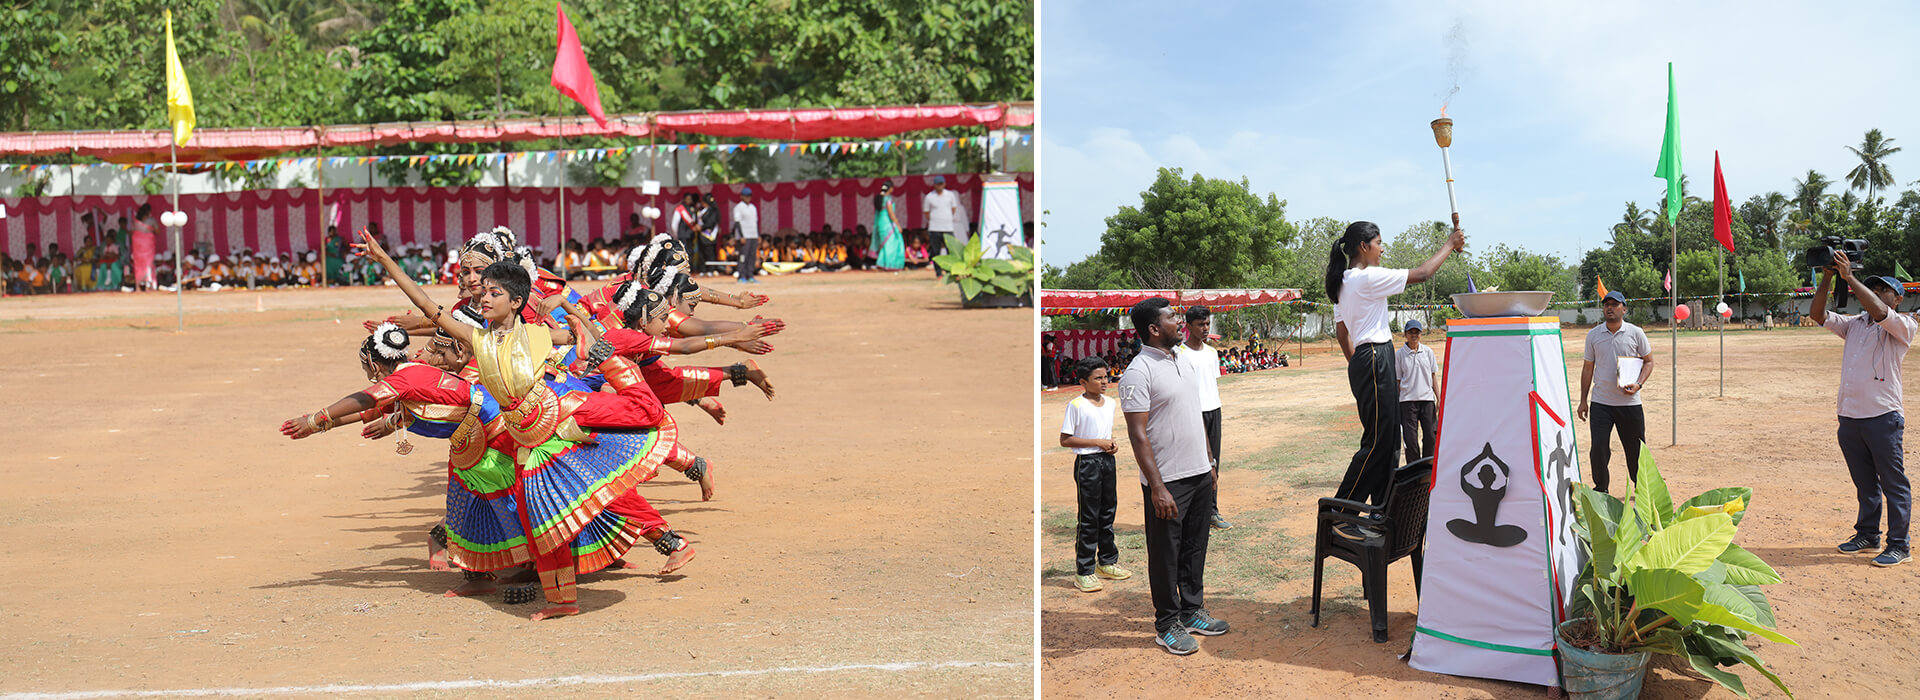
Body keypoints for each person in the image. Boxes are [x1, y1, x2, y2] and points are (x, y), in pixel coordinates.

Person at [1325, 221, 1465, 538]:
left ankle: (1384, 510)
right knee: (1378, 441)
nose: (1382, 248)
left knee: (1390, 442)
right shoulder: (1366, 278)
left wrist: (1358, 364)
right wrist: (1449, 243)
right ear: (1364, 246)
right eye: (1378, 242)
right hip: (1375, 357)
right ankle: (1343, 511)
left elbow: (1342, 331)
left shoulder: (1344, 282)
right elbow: (1423, 274)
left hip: (1370, 358)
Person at [1118, 297, 1228, 655]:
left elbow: (1195, 416)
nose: (1179, 321)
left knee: (1195, 547)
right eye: (1171, 318)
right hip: (1168, 481)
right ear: (1153, 328)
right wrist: (1158, 487)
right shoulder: (1139, 371)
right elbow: (1138, 433)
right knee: (1166, 553)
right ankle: (1167, 623)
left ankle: (1192, 609)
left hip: (1198, 473)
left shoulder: (1182, 360)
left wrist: (1209, 463)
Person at [1811, 254, 1914, 567]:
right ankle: (1868, 534)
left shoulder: (1903, 325)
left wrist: (1851, 279)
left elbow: (1881, 312)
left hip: (1883, 418)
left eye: (1883, 289)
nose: (1877, 291)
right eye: (1873, 287)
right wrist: (1829, 277)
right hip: (1851, 417)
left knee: (1894, 484)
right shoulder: (1854, 325)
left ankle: (1900, 545)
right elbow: (1817, 314)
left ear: (1897, 298)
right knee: (1865, 483)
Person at [1060, 356, 1131, 593]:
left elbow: (1104, 433)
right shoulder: (1076, 405)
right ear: (1083, 382)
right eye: (1098, 378)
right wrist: (1097, 443)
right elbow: (1066, 439)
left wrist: (1109, 445)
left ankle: (1107, 562)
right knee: (1089, 517)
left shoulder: (1110, 403)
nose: (1104, 381)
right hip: (1087, 463)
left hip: (1106, 461)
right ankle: (1085, 570)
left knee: (1108, 512)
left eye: (1106, 376)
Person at [1576, 291, 1654, 494]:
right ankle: (1601, 489)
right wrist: (1583, 400)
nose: (1609, 308)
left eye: (1615, 304)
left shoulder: (1636, 333)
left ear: (1624, 309)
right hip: (1601, 403)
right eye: (1606, 304)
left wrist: (1639, 383)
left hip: (1630, 405)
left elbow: (1649, 361)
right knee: (1599, 449)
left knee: (1636, 450)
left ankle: (1642, 489)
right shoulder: (1593, 335)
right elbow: (1587, 368)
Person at [1173, 306, 1231, 530]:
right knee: (1192, 463)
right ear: (1188, 326)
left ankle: (1212, 511)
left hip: (1213, 410)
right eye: (1200, 324)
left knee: (1213, 462)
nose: (1205, 328)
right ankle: (1191, 511)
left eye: (1207, 324)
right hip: (1190, 412)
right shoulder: (1180, 354)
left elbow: (1211, 383)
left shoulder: (1211, 353)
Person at [1397, 319, 1440, 466]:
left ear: (1421, 334)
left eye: (1417, 332)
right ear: (1405, 335)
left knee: (1430, 436)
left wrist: (1438, 398)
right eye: (1410, 332)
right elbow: (1397, 380)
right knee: (1410, 439)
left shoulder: (1428, 352)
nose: (1414, 335)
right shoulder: (1400, 355)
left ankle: (1428, 468)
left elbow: (1433, 376)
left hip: (1427, 400)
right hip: (1407, 402)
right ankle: (1414, 471)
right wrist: (1395, 403)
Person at [922, 175, 961, 269]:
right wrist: (934, 219)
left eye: (941, 184)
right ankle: (938, 272)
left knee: (951, 250)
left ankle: (950, 270)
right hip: (935, 227)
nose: (940, 186)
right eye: (938, 184)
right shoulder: (929, 197)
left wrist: (946, 217)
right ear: (934, 185)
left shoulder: (950, 195)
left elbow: (953, 208)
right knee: (936, 251)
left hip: (948, 227)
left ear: (944, 184)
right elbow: (926, 212)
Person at [872, 183, 905, 271]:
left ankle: (882, 263)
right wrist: (898, 225)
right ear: (890, 188)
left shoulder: (879, 198)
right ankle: (889, 264)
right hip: (888, 223)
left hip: (881, 223)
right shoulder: (888, 199)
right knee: (892, 244)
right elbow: (891, 213)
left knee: (884, 244)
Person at [733, 187, 761, 284]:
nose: (748, 197)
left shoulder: (753, 207)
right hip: (744, 236)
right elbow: (737, 223)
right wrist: (741, 236)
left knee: (752, 256)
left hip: (753, 235)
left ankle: (750, 275)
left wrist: (758, 234)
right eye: (746, 196)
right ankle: (742, 275)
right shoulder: (738, 207)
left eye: (749, 196)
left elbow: (755, 222)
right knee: (743, 256)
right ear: (742, 196)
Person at [130, 204, 158, 291]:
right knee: (148, 264)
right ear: (149, 212)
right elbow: (158, 231)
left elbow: (132, 233)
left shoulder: (135, 222)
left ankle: (138, 286)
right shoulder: (152, 220)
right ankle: (149, 285)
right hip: (148, 246)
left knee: (138, 265)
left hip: (137, 246)